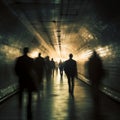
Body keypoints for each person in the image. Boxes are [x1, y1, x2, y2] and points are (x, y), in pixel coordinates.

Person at [14, 47, 35, 119]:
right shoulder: (31, 60)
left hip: (22, 79)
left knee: (21, 92)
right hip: (29, 79)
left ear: (23, 51)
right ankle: (29, 105)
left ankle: (20, 104)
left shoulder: (19, 59)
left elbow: (16, 69)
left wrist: (19, 75)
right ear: (28, 52)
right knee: (29, 93)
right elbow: (33, 70)